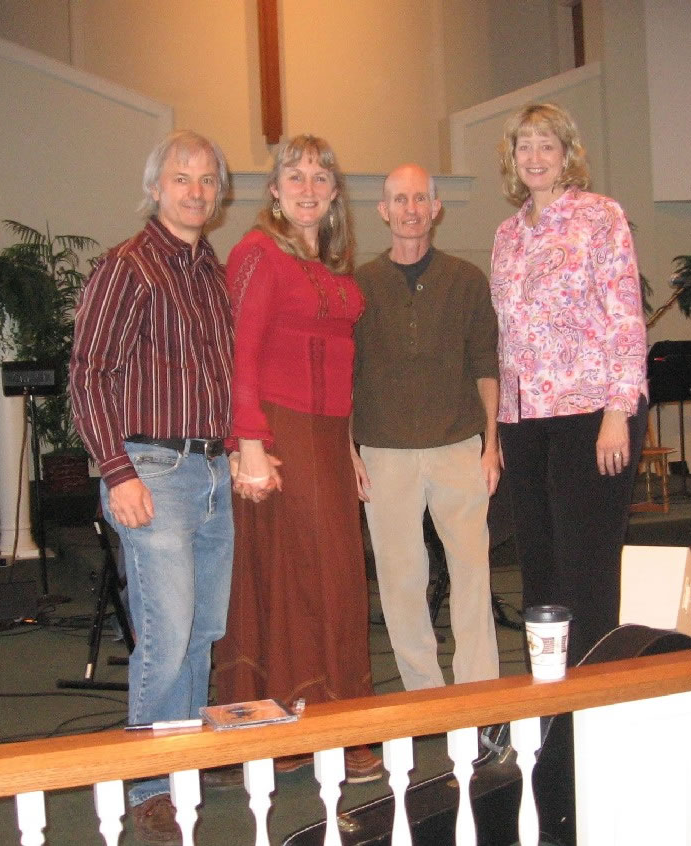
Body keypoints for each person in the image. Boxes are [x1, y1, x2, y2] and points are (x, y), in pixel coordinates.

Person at [70, 129, 234, 844]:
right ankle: (149, 785)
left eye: (207, 179)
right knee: (165, 640)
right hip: (152, 473)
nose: (195, 191)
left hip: (213, 471)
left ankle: (182, 761)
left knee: (202, 633)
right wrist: (117, 472)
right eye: (181, 178)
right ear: (155, 187)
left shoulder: (211, 272)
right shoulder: (128, 267)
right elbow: (88, 375)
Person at [213, 135, 381, 783]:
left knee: (336, 578)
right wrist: (248, 445)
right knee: (298, 578)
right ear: (275, 190)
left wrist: (348, 447)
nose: (308, 188)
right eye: (295, 176)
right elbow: (240, 354)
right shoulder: (257, 252)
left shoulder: (332, 267)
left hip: (328, 440)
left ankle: (334, 720)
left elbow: (342, 368)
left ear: (335, 193)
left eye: (320, 177)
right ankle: (296, 725)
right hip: (277, 435)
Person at [490, 102, 648, 666]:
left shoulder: (600, 216)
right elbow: (507, 336)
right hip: (525, 421)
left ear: (566, 154)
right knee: (540, 567)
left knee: (586, 565)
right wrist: (502, 426)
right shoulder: (507, 235)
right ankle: (552, 694)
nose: (534, 156)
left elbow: (626, 317)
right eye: (524, 145)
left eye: (546, 145)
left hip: (592, 413)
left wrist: (617, 412)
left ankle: (594, 689)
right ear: (512, 157)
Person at [351, 163, 501, 691]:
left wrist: (491, 444)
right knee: (400, 583)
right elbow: (345, 376)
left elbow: (486, 366)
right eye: (399, 199)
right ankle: (423, 695)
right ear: (383, 210)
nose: (410, 209)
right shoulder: (359, 286)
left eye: (420, 199)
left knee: (473, 573)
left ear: (436, 208)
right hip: (383, 453)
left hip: (459, 447)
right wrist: (350, 452)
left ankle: (480, 693)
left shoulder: (467, 280)